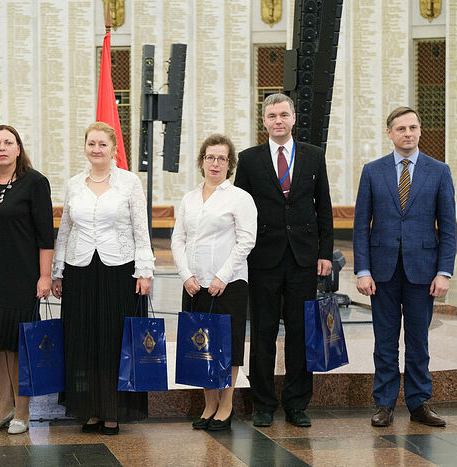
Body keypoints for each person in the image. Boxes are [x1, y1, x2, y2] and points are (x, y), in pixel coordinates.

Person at [234, 93, 333, 427]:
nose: (278, 121)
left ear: (293, 118)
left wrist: (325, 252)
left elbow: (324, 206)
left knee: (300, 332)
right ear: (264, 121)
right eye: (272, 116)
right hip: (263, 258)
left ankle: (296, 404)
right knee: (262, 333)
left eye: (283, 115)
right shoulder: (249, 160)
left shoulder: (314, 156)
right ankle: (263, 404)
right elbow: (239, 211)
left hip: (303, 258)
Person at [354, 107, 456, 427]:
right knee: (385, 341)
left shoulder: (439, 171)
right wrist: (362, 270)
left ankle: (419, 403)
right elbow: (361, 226)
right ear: (390, 133)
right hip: (382, 271)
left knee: (418, 341)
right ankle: (384, 404)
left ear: (420, 130)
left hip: (423, 271)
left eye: (413, 127)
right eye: (401, 128)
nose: (408, 133)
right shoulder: (372, 171)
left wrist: (444, 272)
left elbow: (448, 227)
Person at [51, 121, 155, 435]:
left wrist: (145, 271)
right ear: (85, 147)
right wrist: (58, 272)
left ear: (114, 149)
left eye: (102, 144)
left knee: (114, 340)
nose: (96, 149)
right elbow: (65, 230)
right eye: (91, 144)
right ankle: (90, 409)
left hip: (119, 270)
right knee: (83, 340)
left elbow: (141, 229)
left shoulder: (129, 182)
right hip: (80, 270)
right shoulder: (74, 184)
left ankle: (113, 411)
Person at [0, 125, 54, 435]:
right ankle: (3, 408)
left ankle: (22, 410)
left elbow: (45, 236)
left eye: (9, 142)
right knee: (0, 344)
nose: (2, 148)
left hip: (22, 276)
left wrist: (45, 276)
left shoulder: (35, 183)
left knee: (19, 345)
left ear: (18, 149)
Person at [172, 134, 257, 431]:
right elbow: (177, 239)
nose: (215, 163)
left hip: (229, 284)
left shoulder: (240, 198)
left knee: (228, 347)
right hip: (195, 284)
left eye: (222, 158)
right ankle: (209, 403)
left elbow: (246, 240)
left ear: (230, 163)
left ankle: (226, 404)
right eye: (210, 157)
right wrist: (186, 275)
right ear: (202, 161)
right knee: (200, 346)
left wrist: (223, 276)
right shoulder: (189, 198)